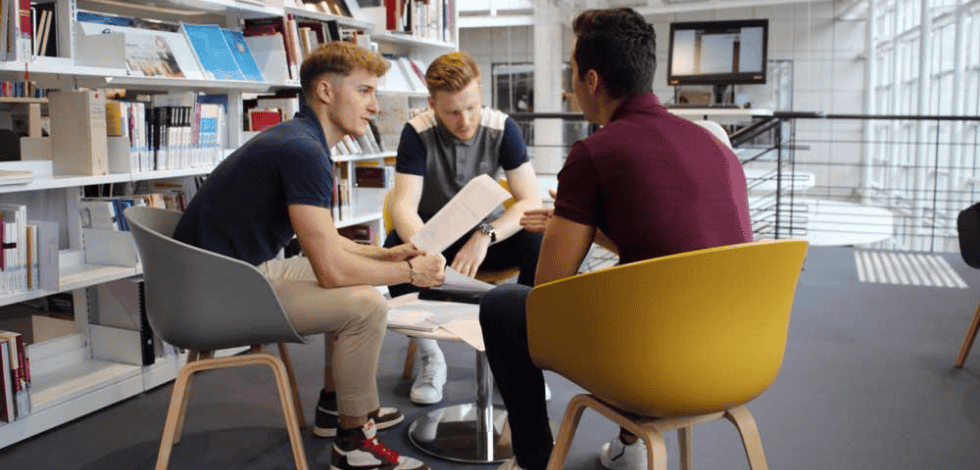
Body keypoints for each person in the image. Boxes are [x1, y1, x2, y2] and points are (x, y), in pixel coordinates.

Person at [479, 8, 753, 470]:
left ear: (591, 80)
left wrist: (570, 232)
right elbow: (669, 247)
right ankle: (630, 444)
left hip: (654, 368)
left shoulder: (595, 153)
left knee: (504, 306)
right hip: (738, 355)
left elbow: (548, 294)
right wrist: (596, 230)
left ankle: (534, 460)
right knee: (650, 291)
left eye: (570, 72)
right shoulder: (714, 146)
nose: (569, 84)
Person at [172, 41, 444, 470]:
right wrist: (410, 271)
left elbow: (326, 242)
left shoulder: (299, 139)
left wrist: (388, 257)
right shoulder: (304, 152)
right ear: (324, 91)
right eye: (364, 92)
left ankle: (337, 408)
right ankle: (353, 445)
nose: (374, 106)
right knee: (366, 305)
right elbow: (332, 270)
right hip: (209, 298)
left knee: (363, 280)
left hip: (221, 277)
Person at [384, 51, 543, 405]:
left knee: (538, 236)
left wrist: (484, 236)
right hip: (436, 242)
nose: (465, 121)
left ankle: (519, 357)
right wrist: (428, 249)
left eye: (471, 107)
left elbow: (530, 200)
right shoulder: (416, 132)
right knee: (396, 245)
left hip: (484, 242)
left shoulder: (503, 128)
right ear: (432, 104)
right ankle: (431, 357)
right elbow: (403, 205)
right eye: (452, 112)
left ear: (480, 91)